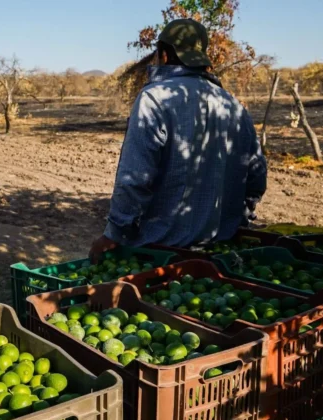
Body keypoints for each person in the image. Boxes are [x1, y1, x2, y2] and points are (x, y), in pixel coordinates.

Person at [89, 18, 267, 262]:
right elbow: (256, 176)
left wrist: (114, 233)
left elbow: (135, 178)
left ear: (163, 55)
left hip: (160, 254)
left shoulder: (154, 99)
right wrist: (238, 219)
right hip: (220, 253)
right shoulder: (233, 105)